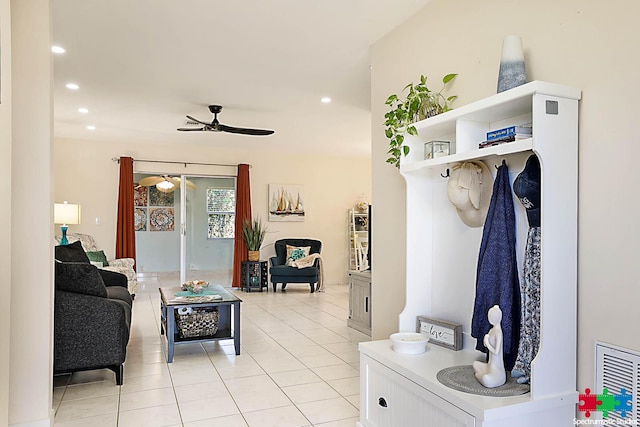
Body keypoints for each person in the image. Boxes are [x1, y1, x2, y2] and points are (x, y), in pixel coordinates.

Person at [473, 305, 506, 388]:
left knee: (486, 379)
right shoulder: (492, 330)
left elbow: (496, 351)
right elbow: (486, 345)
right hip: (490, 364)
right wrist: (485, 341)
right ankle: (482, 374)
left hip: (496, 368)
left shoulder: (498, 333)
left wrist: (487, 342)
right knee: (475, 364)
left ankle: (480, 376)